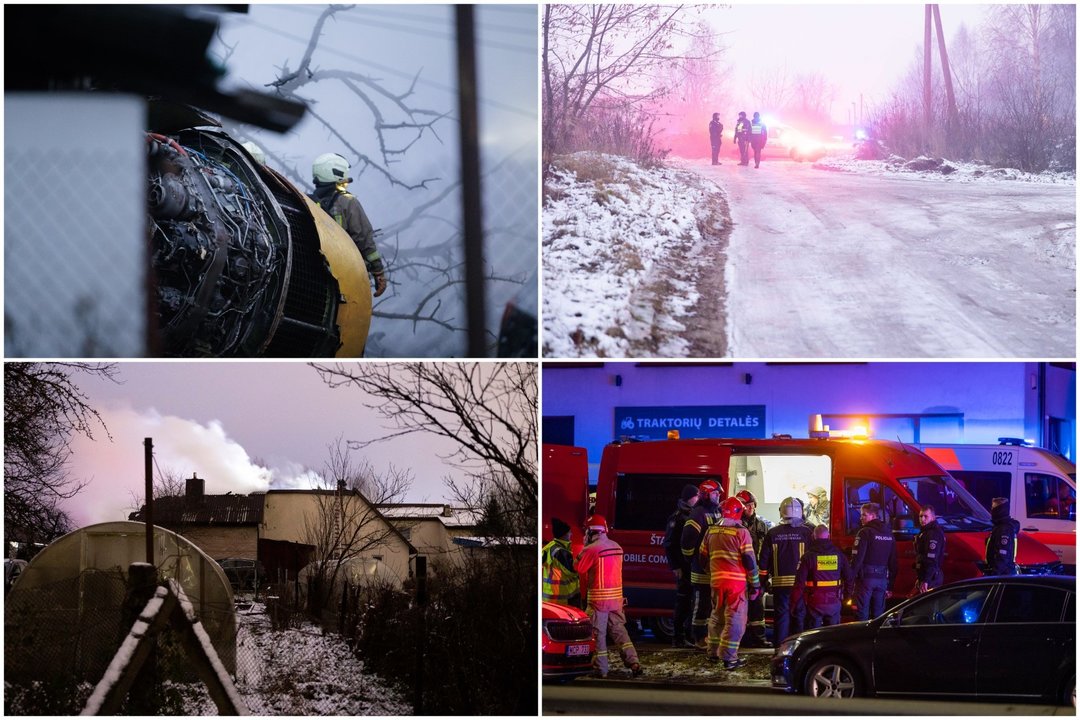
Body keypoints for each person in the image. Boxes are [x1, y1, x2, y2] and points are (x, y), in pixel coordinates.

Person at [309, 152, 388, 297]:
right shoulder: (348, 202)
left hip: (313, 273)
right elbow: (364, 238)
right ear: (336, 172)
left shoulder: (309, 202)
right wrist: (378, 271)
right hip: (344, 272)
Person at [698, 496, 762, 670]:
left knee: (716, 615)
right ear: (738, 512)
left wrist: (710, 572)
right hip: (736, 584)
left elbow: (702, 557)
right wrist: (755, 584)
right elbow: (750, 561)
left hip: (716, 581)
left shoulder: (711, 531)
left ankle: (712, 652)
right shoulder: (741, 532)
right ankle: (729, 658)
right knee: (736, 620)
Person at [576, 515, 642, 678]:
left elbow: (579, 568)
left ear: (591, 531)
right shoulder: (617, 546)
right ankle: (634, 662)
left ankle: (601, 669)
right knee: (620, 632)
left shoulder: (592, 549)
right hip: (616, 600)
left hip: (599, 602)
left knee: (599, 635)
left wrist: (583, 549)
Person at [758, 496, 813, 644]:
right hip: (800, 584)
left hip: (780, 585)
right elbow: (812, 559)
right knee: (800, 615)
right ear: (800, 512)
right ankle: (799, 649)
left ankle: (780, 650)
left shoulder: (773, 533)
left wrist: (761, 583)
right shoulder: (806, 532)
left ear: (781, 512)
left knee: (781, 617)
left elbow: (763, 561)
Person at [681, 478, 722, 648]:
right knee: (701, 605)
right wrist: (694, 560)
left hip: (713, 569)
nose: (718, 496)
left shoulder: (717, 511)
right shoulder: (698, 513)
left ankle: (708, 636)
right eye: (715, 493)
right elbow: (687, 542)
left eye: (718, 493)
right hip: (701, 570)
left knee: (710, 606)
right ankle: (697, 637)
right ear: (706, 494)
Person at [791, 524, 850, 630]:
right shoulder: (839, 555)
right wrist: (847, 597)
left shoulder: (808, 556)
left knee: (814, 637)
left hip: (814, 603)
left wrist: (793, 603)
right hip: (834, 602)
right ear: (829, 536)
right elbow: (849, 577)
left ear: (813, 537)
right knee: (833, 636)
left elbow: (799, 583)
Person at [663, 484, 700, 647]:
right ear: (689, 498)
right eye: (696, 496)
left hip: (691, 566)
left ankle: (688, 635)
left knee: (691, 602)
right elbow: (669, 544)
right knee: (683, 602)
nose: (698, 499)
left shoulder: (692, 514)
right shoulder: (678, 517)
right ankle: (678, 637)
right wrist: (675, 566)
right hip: (683, 567)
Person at [850, 502, 897, 620]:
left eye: (864, 515)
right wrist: (890, 585)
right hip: (882, 580)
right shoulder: (889, 534)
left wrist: (850, 579)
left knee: (862, 615)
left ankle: (861, 637)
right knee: (879, 616)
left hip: (866, 579)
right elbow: (893, 562)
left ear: (873, 516)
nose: (861, 518)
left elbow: (857, 559)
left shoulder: (865, 532)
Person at [736, 489, 771, 647]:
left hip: (756, 572)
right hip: (739, 573)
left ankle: (759, 638)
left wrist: (765, 574)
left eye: (751, 505)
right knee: (739, 607)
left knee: (757, 607)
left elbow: (766, 551)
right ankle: (740, 638)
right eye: (745, 505)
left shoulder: (762, 525)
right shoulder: (735, 524)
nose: (749, 508)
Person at [542, 517, 580, 607]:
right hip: (561, 598)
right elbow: (573, 569)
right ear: (564, 534)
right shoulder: (560, 551)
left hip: (551, 596)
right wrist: (581, 555)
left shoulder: (551, 546)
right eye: (569, 532)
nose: (571, 534)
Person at [913, 505, 945, 593]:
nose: (922, 519)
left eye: (926, 516)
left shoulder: (933, 534)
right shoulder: (925, 532)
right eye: (920, 516)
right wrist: (920, 578)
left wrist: (926, 580)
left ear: (933, 518)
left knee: (929, 605)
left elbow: (931, 559)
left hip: (931, 577)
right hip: (927, 576)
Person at [985, 497, 1019, 575]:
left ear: (999, 510)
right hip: (1004, 572)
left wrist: (995, 574)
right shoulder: (1000, 526)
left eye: (993, 508)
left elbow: (1003, 556)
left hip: (1003, 574)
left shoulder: (1004, 529)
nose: (991, 510)